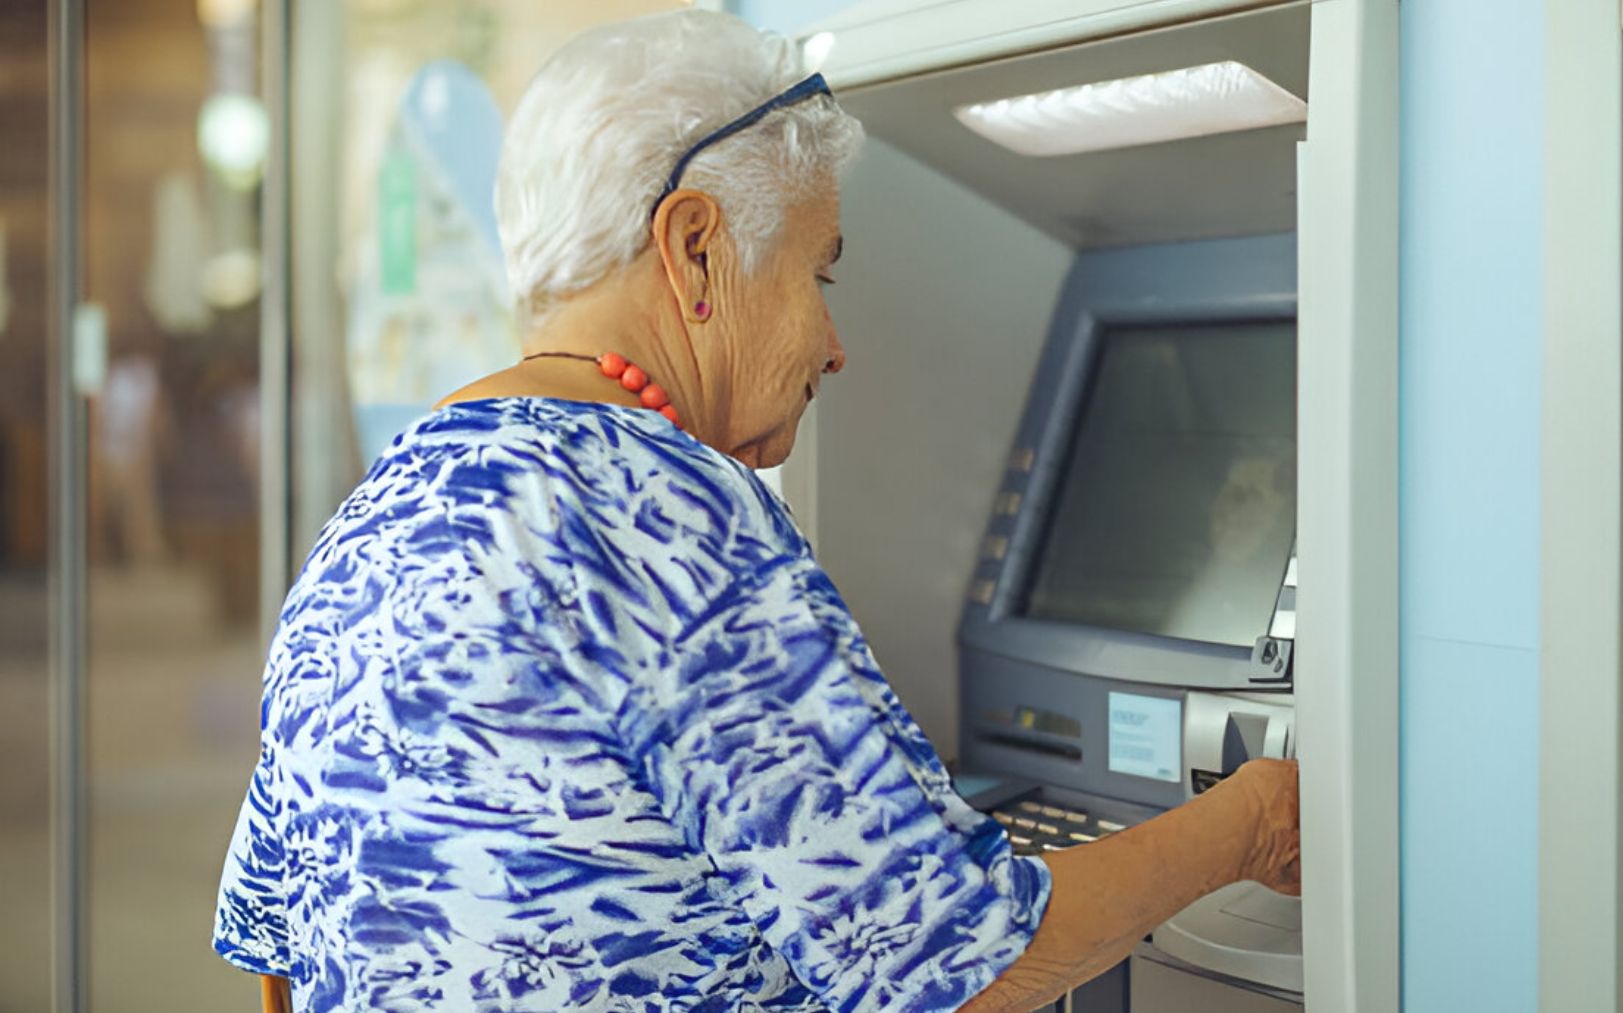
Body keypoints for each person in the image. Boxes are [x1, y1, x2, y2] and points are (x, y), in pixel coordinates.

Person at [212, 10, 1301, 1012]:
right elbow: (964, 961)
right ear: (694, 249)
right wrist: (1250, 819)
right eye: (819, 272)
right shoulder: (663, 511)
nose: (836, 343)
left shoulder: (374, 514)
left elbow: (276, 961)